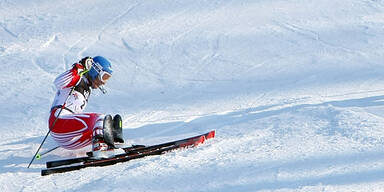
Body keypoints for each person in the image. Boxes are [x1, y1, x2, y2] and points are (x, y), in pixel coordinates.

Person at [48, 56, 124, 159]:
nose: (104, 82)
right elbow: (58, 82)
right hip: (58, 122)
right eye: (104, 77)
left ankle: (112, 142)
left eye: (107, 78)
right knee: (100, 118)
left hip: (71, 137)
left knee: (110, 123)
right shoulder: (78, 79)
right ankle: (99, 147)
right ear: (95, 71)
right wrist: (79, 68)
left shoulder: (87, 88)